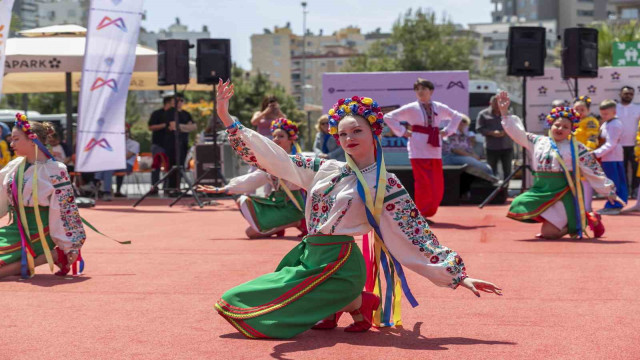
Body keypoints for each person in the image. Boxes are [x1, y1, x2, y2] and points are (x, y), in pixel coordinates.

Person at [213, 79, 501, 339]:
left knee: (265, 317)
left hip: (339, 264)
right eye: (342, 133)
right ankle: (357, 302)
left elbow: (415, 234)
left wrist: (459, 276)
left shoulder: (384, 183)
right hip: (308, 257)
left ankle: (346, 297)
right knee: (235, 300)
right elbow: (276, 158)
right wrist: (228, 119)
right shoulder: (325, 168)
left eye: (357, 130)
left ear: (374, 133)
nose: (349, 137)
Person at [497, 92, 620, 239]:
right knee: (519, 203)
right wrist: (504, 113)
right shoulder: (538, 141)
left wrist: (608, 191)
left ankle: (586, 219)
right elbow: (518, 133)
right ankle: (581, 218)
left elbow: (592, 169)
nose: (560, 129)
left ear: (571, 130)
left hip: (564, 191)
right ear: (551, 124)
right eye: (557, 125)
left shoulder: (576, 147)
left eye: (565, 127)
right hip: (541, 189)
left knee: (548, 234)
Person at [0, 113, 86, 279]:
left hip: (40, 231)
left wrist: (70, 246)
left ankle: (54, 255)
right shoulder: (15, 166)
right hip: (17, 228)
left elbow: (65, 209)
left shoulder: (55, 169)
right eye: (12, 139)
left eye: (16, 139)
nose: (12, 144)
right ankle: (44, 258)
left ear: (32, 140)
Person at [198, 118, 306, 238]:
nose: (276, 139)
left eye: (280, 136)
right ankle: (279, 226)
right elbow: (254, 178)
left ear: (291, 139)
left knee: (251, 233)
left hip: (294, 206)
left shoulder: (299, 160)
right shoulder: (271, 160)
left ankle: (296, 221)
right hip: (278, 203)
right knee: (243, 201)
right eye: (274, 136)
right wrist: (222, 189)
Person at [383, 78, 464, 223]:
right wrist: (403, 131)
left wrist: (448, 131)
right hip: (418, 147)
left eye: (423, 88)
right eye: (417, 89)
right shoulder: (411, 107)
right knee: (422, 182)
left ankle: (430, 210)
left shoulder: (438, 106)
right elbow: (389, 117)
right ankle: (421, 213)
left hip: (434, 147)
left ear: (431, 91)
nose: (420, 92)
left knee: (436, 182)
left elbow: (457, 116)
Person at [593, 100, 628, 215]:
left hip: (612, 157)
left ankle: (615, 205)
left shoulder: (615, 124)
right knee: (613, 182)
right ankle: (614, 204)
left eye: (606, 114)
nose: (603, 116)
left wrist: (595, 154)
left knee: (614, 183)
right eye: (602, 114)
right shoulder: (607, 123)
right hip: (608, 157)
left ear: (614, 112)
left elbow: (611, 143)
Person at [94, 124, 140, 200]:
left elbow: (127, 156)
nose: (124, 134)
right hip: (114, 164)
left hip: (127, 165)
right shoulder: (114, 143)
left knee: (108, 166)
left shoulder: (134, 144)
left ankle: (96, 181)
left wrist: (113, 157)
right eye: (122, 132)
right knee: (106, 167)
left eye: (126, 132)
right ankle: (106, 191)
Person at [164, 94, 197, 196]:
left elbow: (193, 127)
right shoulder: (170, 112)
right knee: (173, 166)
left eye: (180, 100)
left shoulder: (186, 113)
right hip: (172, 143)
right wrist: (185, 126)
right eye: (176, 100)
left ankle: (178, 188)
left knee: (181, 166)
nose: (178, 102)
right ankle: (171, 188)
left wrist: (181, 127)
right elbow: (173, 126)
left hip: (183, 143)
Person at [572, 96, 600, 213]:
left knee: (585, 180)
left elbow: (593, 136)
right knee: (576, 180)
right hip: (573, 155)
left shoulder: (590, 121)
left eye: (582, 109)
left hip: (584, 154)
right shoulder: (573, 121)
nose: (579, 112)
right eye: (576, 109)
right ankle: (579, 206)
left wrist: (589, 150)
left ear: (588, 110)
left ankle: (587, 207)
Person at [476, 95, 513, 179]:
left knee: (507, 171)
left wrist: (505, 132)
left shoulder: (508, 113)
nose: (497, 105)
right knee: (491, 170)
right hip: (491, 148)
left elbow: (513, 126)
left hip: (507, 147)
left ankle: (505, 190)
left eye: (499, 103)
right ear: (490, 103)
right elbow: (479, 128)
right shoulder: (483, 114)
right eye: (495, 103)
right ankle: (493, 190)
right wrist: (491, 133)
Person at [616, 85, 640, 196]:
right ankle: (624, 191)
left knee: (636, 169)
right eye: (626, 93)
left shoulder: (637, 108)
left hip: (635, 145)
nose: (628, 96)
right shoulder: (614, 108)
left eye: (631, 94)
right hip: (618, 145)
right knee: (622, 169)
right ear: (620, 94)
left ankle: (635, 190)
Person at [148, 94, 174, 193]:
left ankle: (167, 187)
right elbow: (151, 127)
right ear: (168, 103)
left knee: (168, 167)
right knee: (156, 166)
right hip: (158, 144)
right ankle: (154, 187)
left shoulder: (174, 114)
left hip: (170, 145)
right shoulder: (157, 113)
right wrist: (164, 125)